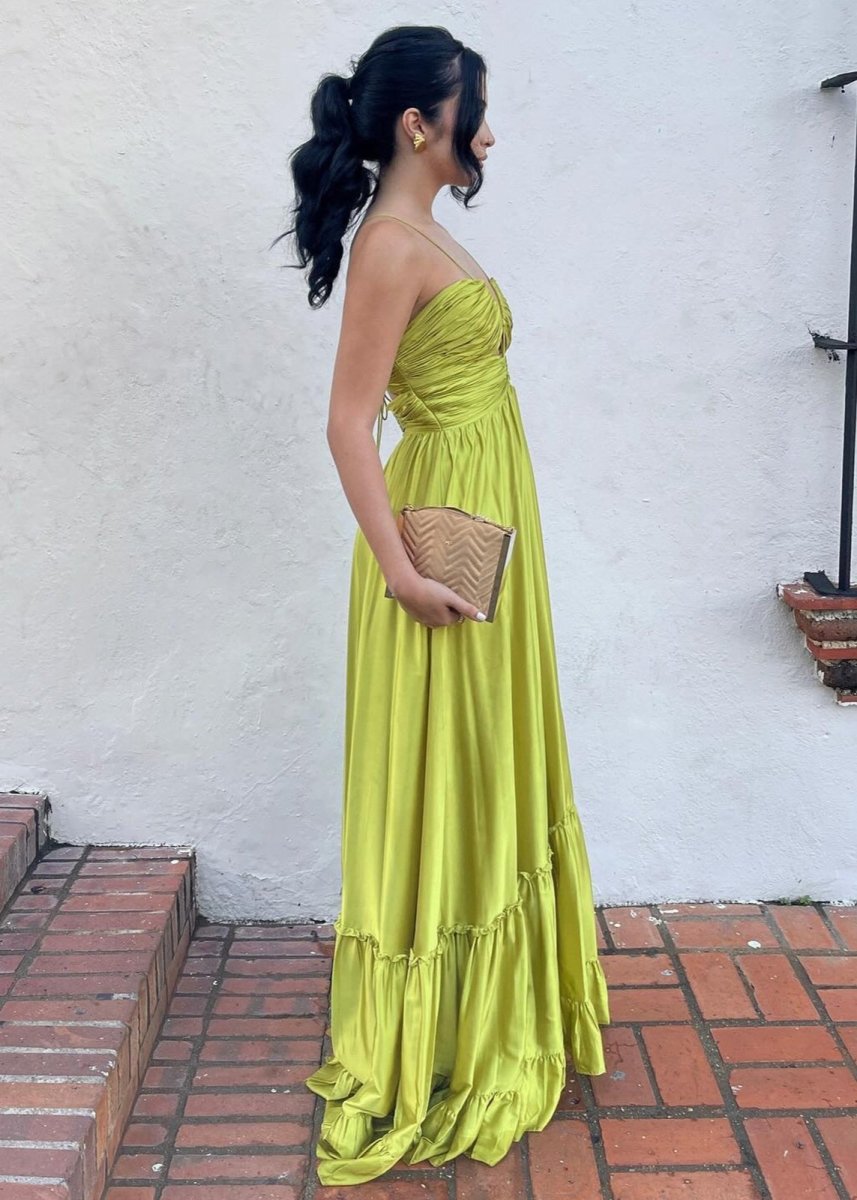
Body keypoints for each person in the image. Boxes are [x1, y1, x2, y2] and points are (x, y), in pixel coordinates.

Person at [276, 23, 611, 1187]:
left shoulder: (422, 233)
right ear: (419, 125)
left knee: (483, 758)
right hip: (435, 547)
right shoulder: (389, 246)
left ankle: (489, 1018)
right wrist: (398, 572)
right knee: (449, 766)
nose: (488, 135)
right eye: (474, 112)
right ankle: (446, 1034)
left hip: (486, 519)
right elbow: (346, 422)